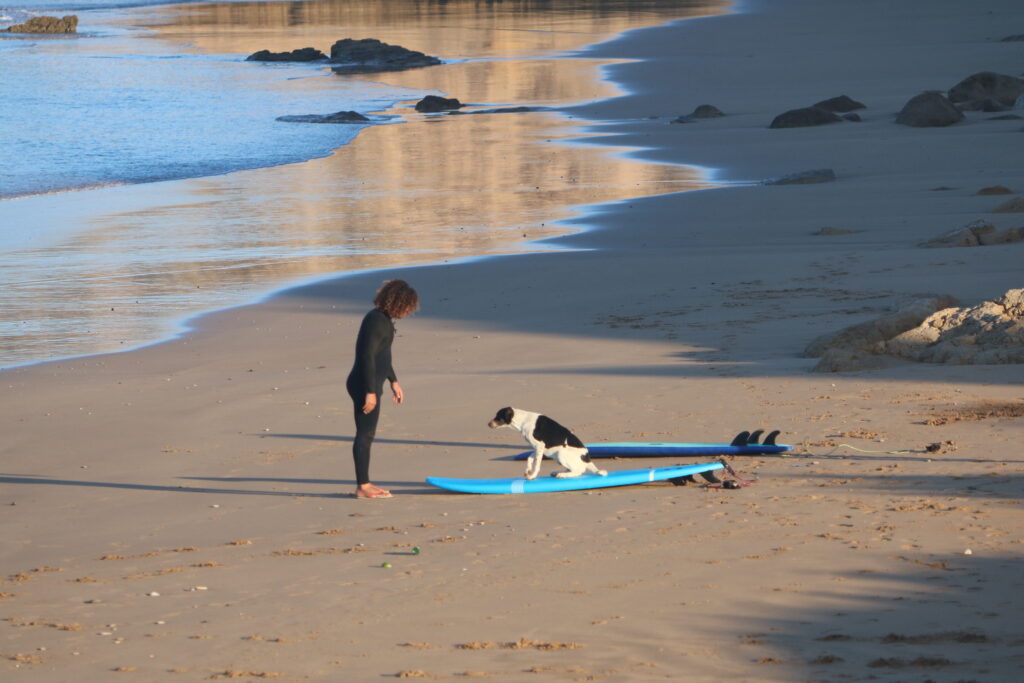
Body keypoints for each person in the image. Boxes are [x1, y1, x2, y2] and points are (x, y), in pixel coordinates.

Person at [345, 279, 419, 499]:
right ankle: (363, 486)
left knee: (368, 433)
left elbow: (382, 355)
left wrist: (393, 381)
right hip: (363, 383)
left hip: (371, 382)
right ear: (398, 302)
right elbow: (366, 356)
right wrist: (370, 392)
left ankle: (364, 483)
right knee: (365, 434)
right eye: (407, 306)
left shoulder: (383, 319)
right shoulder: (376, 321)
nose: (408, 311)